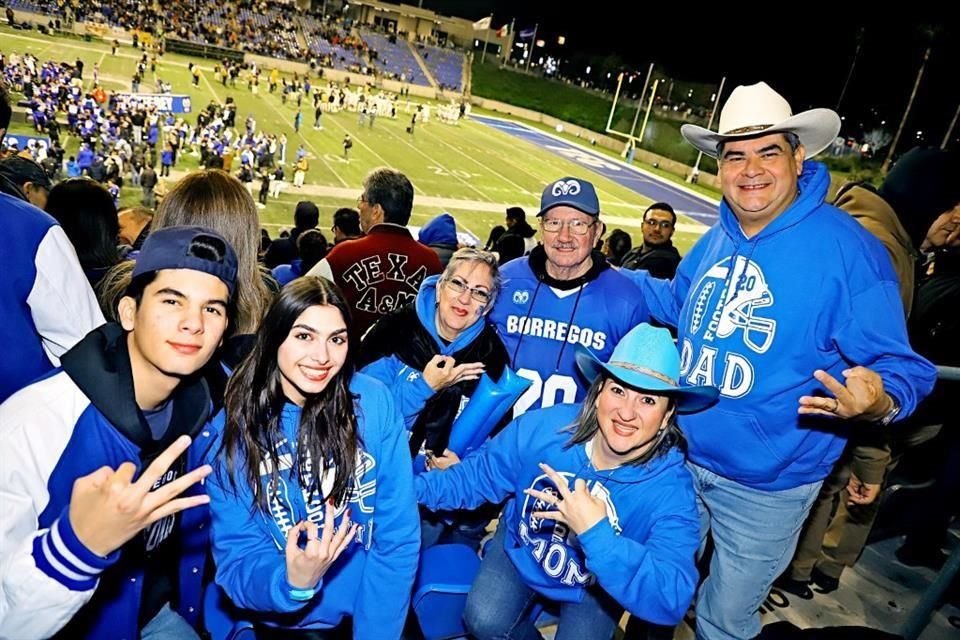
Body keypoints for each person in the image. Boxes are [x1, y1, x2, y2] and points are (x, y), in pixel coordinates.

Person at [625, 81, 937, 640]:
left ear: (798, 156)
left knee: (724, 620)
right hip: (680, 458)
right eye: (735, 155)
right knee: (654, 590)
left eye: (768, 151)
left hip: (768, 488)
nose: (751, 170)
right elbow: (675, 301)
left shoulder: (849, 250)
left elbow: (905, 370)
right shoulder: (720, 232)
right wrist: (598, 275)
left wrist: (879, 398)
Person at [0, 226, 238, 639]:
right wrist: (76, 548)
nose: (193, 324)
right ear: (129, 312)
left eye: (212, 309)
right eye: (171, 301)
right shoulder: (38, 421)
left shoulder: (206, 416)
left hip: (152, 615)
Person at [417, 323, 718, 639]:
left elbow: (672, 597)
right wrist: (408, 490)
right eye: (618, 390)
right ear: (598, 393)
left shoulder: (671, 490)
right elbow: (476, 478)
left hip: (597, 585)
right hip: (524, 543)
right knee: (483, 620)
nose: (627, 412)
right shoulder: (546, 428)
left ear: (667, 416)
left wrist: (596, 535)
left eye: (648, 400)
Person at [204, 277, 419, 639]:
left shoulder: (373, 401)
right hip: (288, 614)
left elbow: (397, 536)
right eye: (304, 336)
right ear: (274, 339)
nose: (322, 357)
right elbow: (238, 559)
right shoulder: (230, 432)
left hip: (376, 605)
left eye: (336, 339)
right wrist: (292, 582)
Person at [357, 248, 507, 547]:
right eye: (458, 284)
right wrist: (424, 386)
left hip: (437, 499)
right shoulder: (392, 333)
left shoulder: (492, 358)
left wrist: (463, 470)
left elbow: (498, 444)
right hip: (370, 484)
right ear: (439, 287)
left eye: (479, 293)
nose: (465, 299)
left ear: (487, 307)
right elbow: (358, 420)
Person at [489, 176, 650, 416]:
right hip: (498, 445)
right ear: (542, 228)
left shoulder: (627, 300)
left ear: (597, 232)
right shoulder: (506, 280)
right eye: (554, 223)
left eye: (577, 224)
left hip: (574, 449)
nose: (564, 236)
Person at [307, 168, 442, 337]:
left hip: (352, 360)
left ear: (376, 210)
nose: (359, 206)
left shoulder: (345, 254)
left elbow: (297, 298)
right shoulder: (431, 261)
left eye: (363, 200)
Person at [620, 203, 681, 279]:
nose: (657, 229)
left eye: (665, 225)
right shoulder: (633, 253)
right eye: (651, 223)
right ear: (642, 226)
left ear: (672, 231)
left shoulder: (667, 262)